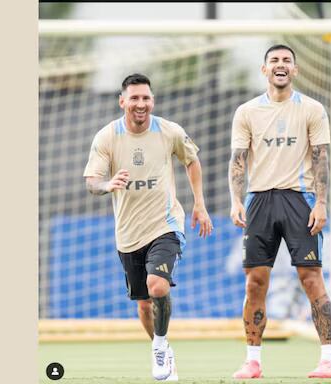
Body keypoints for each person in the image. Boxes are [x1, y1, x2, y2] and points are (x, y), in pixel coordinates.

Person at [84, 73, 213, 381]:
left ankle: (158, 346)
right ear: (122, 102)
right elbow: (91, 182)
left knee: (158, 286)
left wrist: (199, 203)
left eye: (146, 98)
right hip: (128, 233)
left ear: (152, 101)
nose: (141, 104)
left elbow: (191, 161)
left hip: (165, 223)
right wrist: (107, 184)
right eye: (135, 98)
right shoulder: (107, 137)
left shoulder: (170, 131)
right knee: (144, 305)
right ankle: (162, 346)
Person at [228, 45, 331, 379]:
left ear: (295, 70)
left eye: (286, 61)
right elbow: (238, 160)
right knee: (255, 283)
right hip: (259, 200)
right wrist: (236, 200)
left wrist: (321, 203)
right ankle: (253, 360)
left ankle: (329, 358)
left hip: (299, 200)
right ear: (265, 70)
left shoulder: (312, 109)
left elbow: (321, 157)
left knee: (311, 277)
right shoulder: (246, 111)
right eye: (274, 61)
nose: (280, 65)